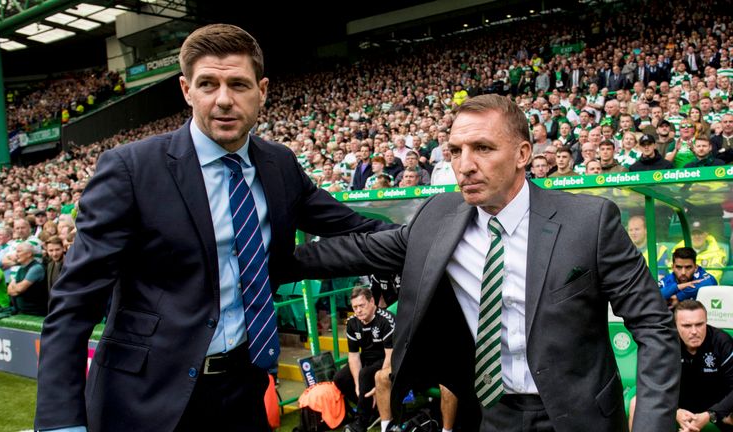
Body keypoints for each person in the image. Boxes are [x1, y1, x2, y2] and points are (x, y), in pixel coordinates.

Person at [34, 24, 390, 432]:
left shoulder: (279, 166)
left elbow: (355, 227)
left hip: (243, 389)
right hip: (145, 399)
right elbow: (74, 302)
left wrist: (440, 231)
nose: (223, 100)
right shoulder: (131, 169)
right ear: (187, 91)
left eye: (238, 84)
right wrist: (60, 422)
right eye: (208, 84)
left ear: (263, 90)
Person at [292, 95, 679, 431]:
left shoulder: (589, 223)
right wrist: (270, 263)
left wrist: (651, 424)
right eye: (456, 151)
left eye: (483, 148)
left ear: (523, 154)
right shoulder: (436, 219)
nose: (465, 165)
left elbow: (654, 325)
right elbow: (360, 250)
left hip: (582, 416)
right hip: (493, 414)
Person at [631, 300, 733, 432]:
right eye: (686, 326)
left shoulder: (722, 342)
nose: (694, 331)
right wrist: (675, 411)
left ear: (706, 321)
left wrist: (712, 414)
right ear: (675, 326)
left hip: (715, 404)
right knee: (636, 403)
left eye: (700, 324)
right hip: (678, 404)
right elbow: (652, 384)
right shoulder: (664, 344)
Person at [334, 287, 394, 432]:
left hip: (386, 359)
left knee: (365, 374)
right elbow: (354, 356)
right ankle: (372, 410)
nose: (358, 310)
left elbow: (390, 355)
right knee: (340, 378)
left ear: (372, 301)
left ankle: (361, 423)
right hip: (367, 358)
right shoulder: (352, 323)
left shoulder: (386, 320)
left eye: (362, 305)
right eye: (355, 307)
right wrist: (357, 386)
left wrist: (380, 382)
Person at [7, 242, 47, 316]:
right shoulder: (20, 269)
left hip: (35, 313)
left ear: (29, 254)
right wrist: (16, 287)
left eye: (19, 251)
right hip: (21, 311)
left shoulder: (36, 268)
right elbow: (9, 291)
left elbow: (20, 289)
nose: (16, 254)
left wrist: (14, 285)